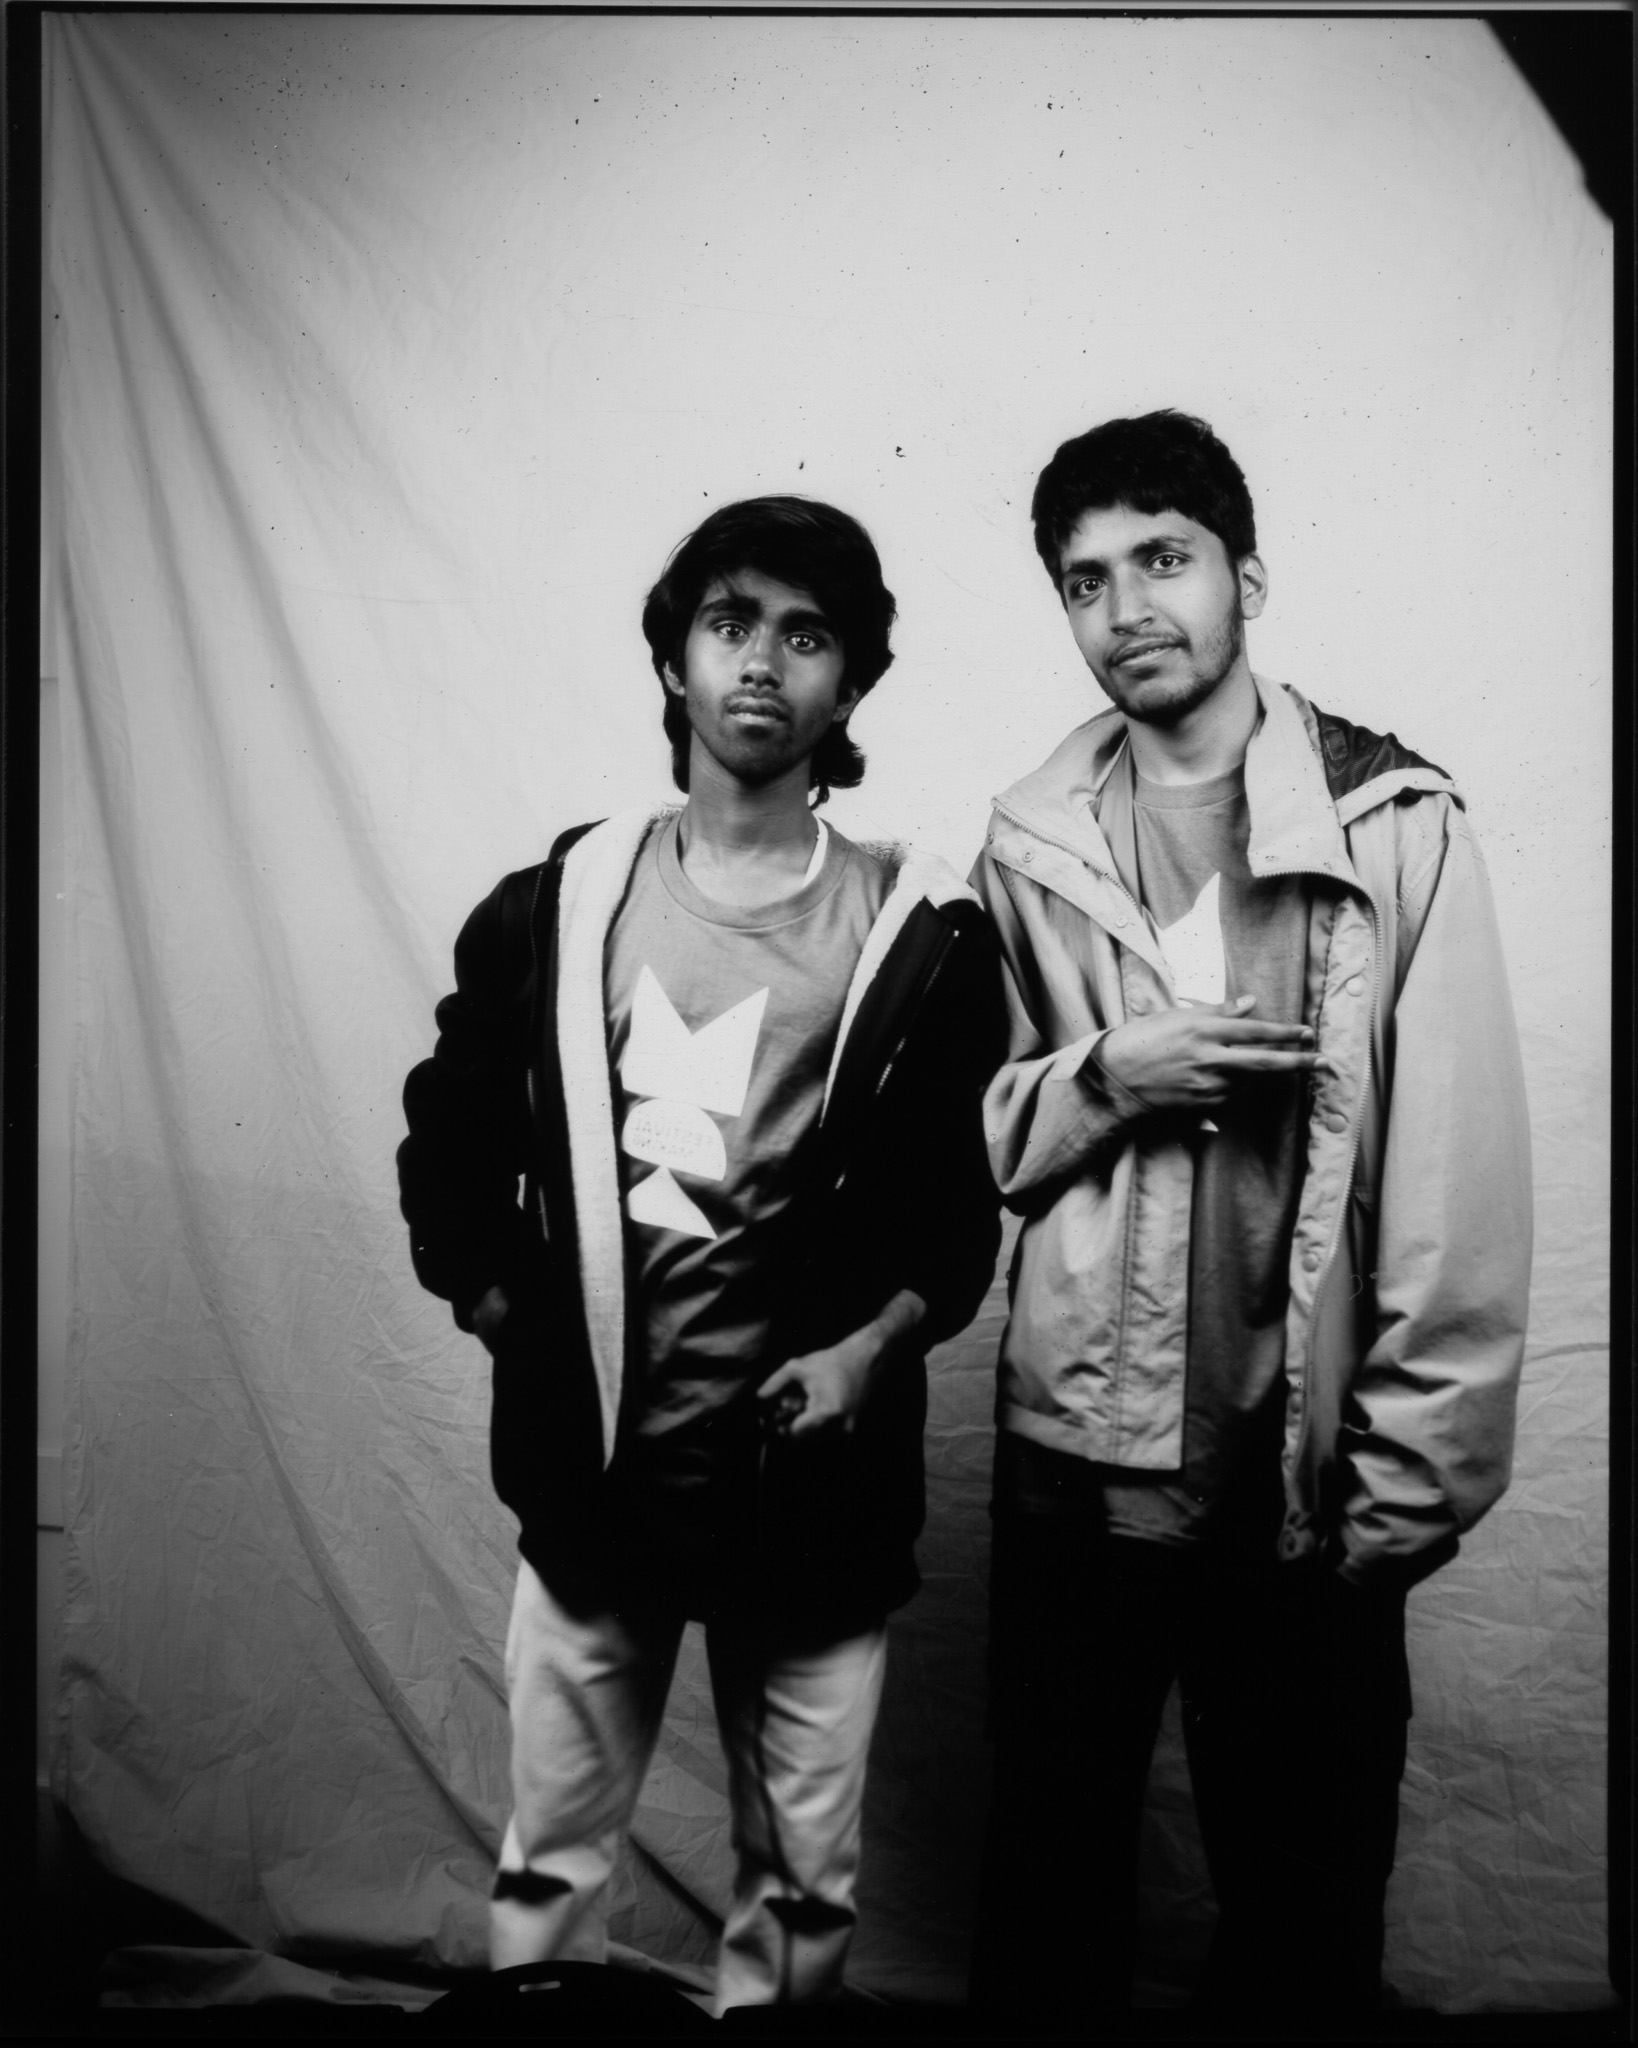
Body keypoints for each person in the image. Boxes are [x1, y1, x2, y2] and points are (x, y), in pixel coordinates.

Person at [397, 496, 1004, 2012]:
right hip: (597, 1475)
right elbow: (448, 1136)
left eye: (806, 637)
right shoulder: (556, 907)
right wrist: (501, 1309)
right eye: (729, 622)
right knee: (547, 1867)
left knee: (801, 1898)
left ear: (849, 685)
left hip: (810, 1496)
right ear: (671, 655)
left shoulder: (917, 932)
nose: (761, 663)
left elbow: (954, 1206)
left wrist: (868, 1351)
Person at [968, 411, 1532, 2024]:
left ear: (1247, 577)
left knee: (1299, 1919)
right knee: (1049, 1898)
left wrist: (1403, 1488)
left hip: (1305, 1479)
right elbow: (977, 1138)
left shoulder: (1391, 820)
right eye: (1084, 580)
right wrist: (1104, 1073)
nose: (1125, 607)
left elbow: (1458, 1177)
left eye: (1162, 559)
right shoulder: (1029, 841)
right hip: (1074, 1473)